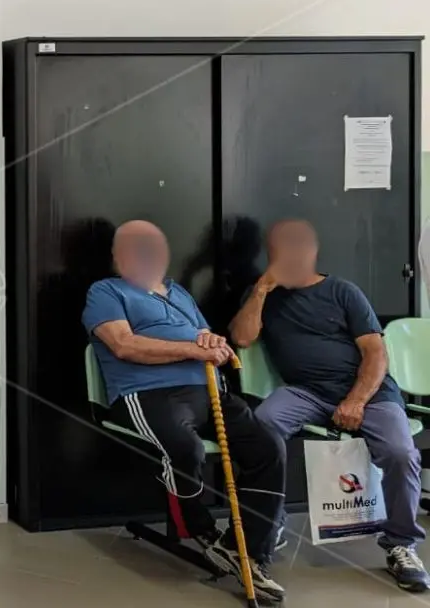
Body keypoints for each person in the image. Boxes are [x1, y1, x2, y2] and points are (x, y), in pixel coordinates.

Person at [83, 220, 286, 602]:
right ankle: (201, 527)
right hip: (148, 393)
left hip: (210, 391)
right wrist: (193, 349)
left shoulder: (178, 293)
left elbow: (208, 337)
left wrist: (214, 344)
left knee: (268, 447)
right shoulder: (106, 291)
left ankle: (246, 550)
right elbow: (124, 345)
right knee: (185, 449)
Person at [231, 219, 429, 592]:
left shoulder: (342, 291)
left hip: (369, 392)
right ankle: (267, 525)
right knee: (260, 428)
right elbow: (242, 338)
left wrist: (356, 400)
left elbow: (375, 353)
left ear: (311, 253)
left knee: (401, 453)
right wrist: (260, 290)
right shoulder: (263, 295)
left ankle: (401, 544)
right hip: (305, 391)